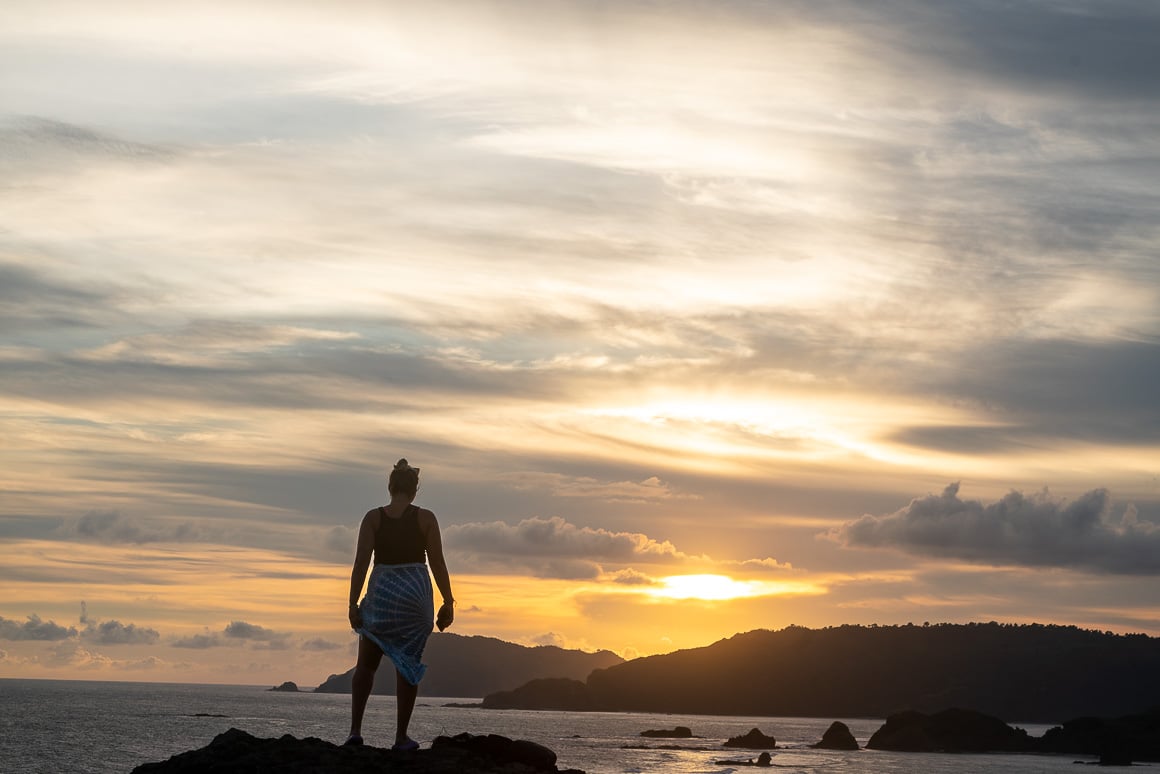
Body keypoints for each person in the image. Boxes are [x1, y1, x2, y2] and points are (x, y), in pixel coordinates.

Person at [345, 458, 455, 750]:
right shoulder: (426, 518)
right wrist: (448, 601)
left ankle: (355, 732)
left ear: (390, 487)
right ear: (415, 491)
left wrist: (353, 604)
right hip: (415, 601)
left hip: (383, 597)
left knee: (366, 666)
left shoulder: (373, 518)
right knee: (408, 666)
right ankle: (400, 737)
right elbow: (438, 563)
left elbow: (360, 564)